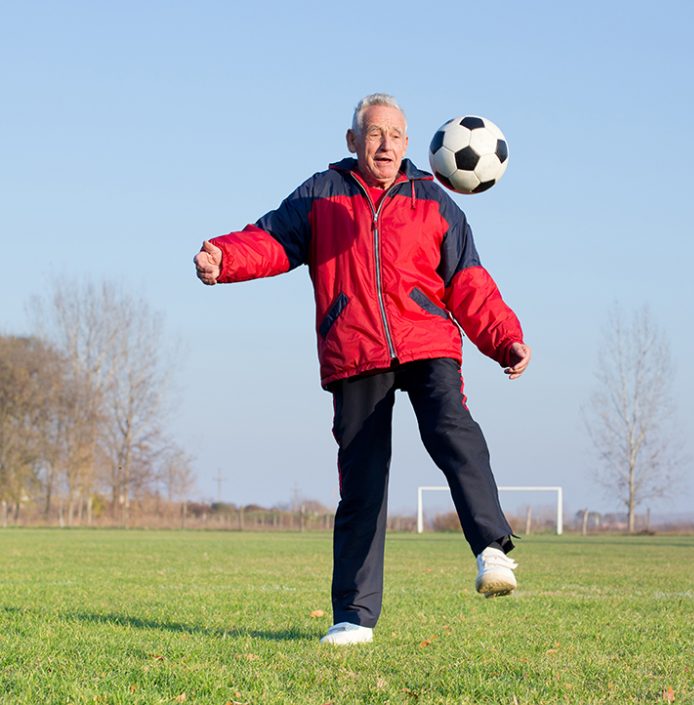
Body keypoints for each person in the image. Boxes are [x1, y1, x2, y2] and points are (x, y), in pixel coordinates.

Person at [193, 93, 530, 647]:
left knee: (451, 428)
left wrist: (506, 339)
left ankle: (492, 550)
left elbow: (469, 282)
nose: (387, 144)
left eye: (396, 135)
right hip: (354, 349)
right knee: (363, 486)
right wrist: (224, 258)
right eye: (375, 134)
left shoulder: (434, 201)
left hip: (427, 342)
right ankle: (353, 617)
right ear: (353, 141)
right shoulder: (322, 195)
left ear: (409, 143)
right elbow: (273, 238)